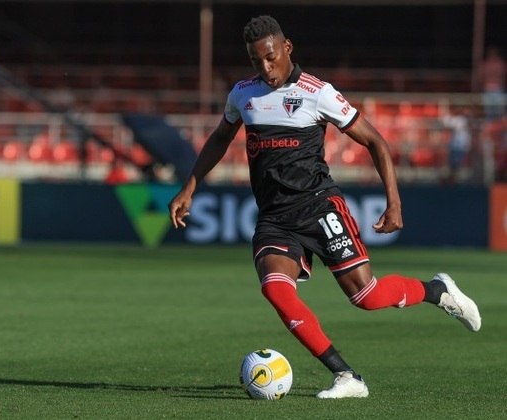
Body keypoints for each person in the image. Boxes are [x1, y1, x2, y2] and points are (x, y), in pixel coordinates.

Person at [168, 15, 481, 399]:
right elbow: (219, 138)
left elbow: (376, 142)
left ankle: (437, 290)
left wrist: (394, 202)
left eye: (270, 58)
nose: (265, 68)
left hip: (319, 208)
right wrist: (189, 189)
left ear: (287, 48)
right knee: (275, 289)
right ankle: (347, 377)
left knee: (367, 297)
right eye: (256, 61)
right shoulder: (243, 95)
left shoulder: (318, 93)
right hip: (274, 218)